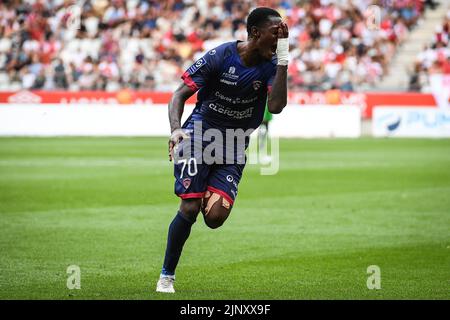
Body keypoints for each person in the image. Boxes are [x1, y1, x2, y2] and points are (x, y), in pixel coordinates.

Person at [156, 7, 289, 293]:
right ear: (255, 33)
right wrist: (175, 129)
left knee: (214, 219)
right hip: (199, 135)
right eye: (275, 33)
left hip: (235, 144)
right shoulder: (221, 56)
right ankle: (167, 276)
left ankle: (200, 186)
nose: (280, 39)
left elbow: (276, 106)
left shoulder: (273, 65)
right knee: (190, 207)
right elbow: (179, 94)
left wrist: (284, 59)